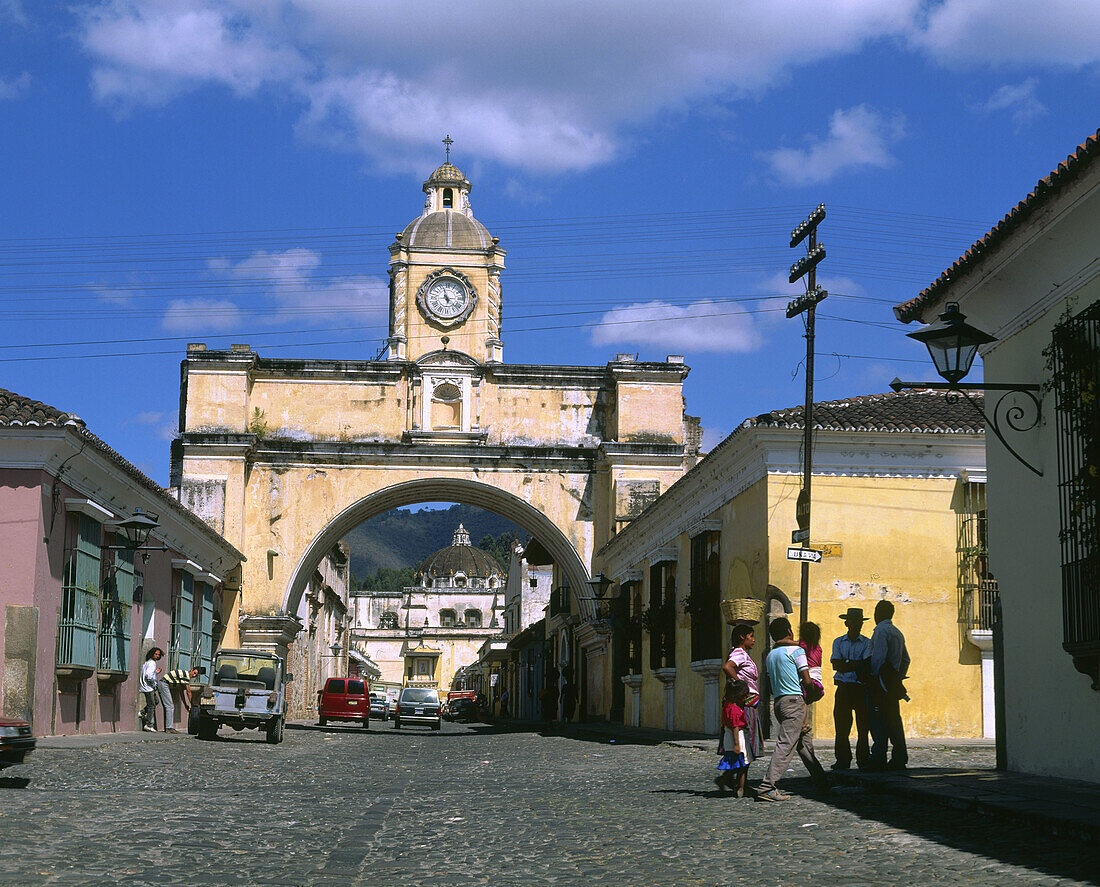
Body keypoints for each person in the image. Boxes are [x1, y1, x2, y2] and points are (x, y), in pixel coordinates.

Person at [755, 617, 829, 802]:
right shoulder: (797, 651)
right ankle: (766, 786)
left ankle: (822, 781)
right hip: (794, 702)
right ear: (789, 631)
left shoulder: (770, 655)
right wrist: (813, 692)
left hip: (780, 702)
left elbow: (771, 684)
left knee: (804, 745)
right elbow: (807, 679)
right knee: (786, 745)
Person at [868, 600, 911, 770]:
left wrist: (873, 676)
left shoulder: (880, 631)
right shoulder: (897, 632)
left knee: (878, 720)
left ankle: (878, 757)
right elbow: (906, 659)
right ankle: (900, 757)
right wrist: (897, 678)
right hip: (892, 683)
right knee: (894, 720)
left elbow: (878, 657)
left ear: (878, 613)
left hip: (880, 683)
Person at [830, 607, 872, 770]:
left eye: (859, 622)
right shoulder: (838, 642)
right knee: (841, 727)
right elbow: (836, 664)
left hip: (860, 688)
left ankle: (863, 759)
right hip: (844, 688)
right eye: (854, 622)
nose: (857, 625)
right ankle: (842, 759)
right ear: (847, 623)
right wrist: (855, 664)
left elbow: (865, 666)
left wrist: (847, 663)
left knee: (863, 727)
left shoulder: (868, 642)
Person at [720, 624, 764, 766]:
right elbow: (727, 667)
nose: (753, 640)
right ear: (742, 637)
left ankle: (737, 781)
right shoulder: (739, 653)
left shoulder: (742, 654)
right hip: (744, 703)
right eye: (751, 636)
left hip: (747, 701)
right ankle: (737, 781)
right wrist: (741, 685)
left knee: (746, 742)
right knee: (745, 740)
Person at [715, 680, 750, 797]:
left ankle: (728, 782)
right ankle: (740, 787)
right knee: (743, 764)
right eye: (744, 696)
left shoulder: (727, 706)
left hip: (728, 736)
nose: (746, 699)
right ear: (737, 696)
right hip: (737, 737)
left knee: (735, 763)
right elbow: (735, 727)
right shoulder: (735, 710)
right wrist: (737, 744)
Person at [161, 667, 200, 734]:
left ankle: (169, 727)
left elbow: (181, 692)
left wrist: (185, 705)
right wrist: (192, 704)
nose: (194, 675)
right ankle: (169, 728)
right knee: (170, 706)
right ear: (191, 670)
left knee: (170, 706)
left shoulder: (185, 678)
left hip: (165, 684)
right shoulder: (185, 675)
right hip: (164, 684)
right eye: (194, 673)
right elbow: (188, 692)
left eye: (196, 675)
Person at [139, 647, 164, 733]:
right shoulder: (152, 663)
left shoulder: (148, 662)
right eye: (155, 654)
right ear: (152, 654)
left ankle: (142, 712)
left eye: (158, 655)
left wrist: (156, 672)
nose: (157, 656)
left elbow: (148, 673)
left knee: (155, 701)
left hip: (147, 687)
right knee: (151, 706)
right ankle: (149, 725)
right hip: (148, 687)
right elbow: (148, 676)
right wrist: (154, 685)